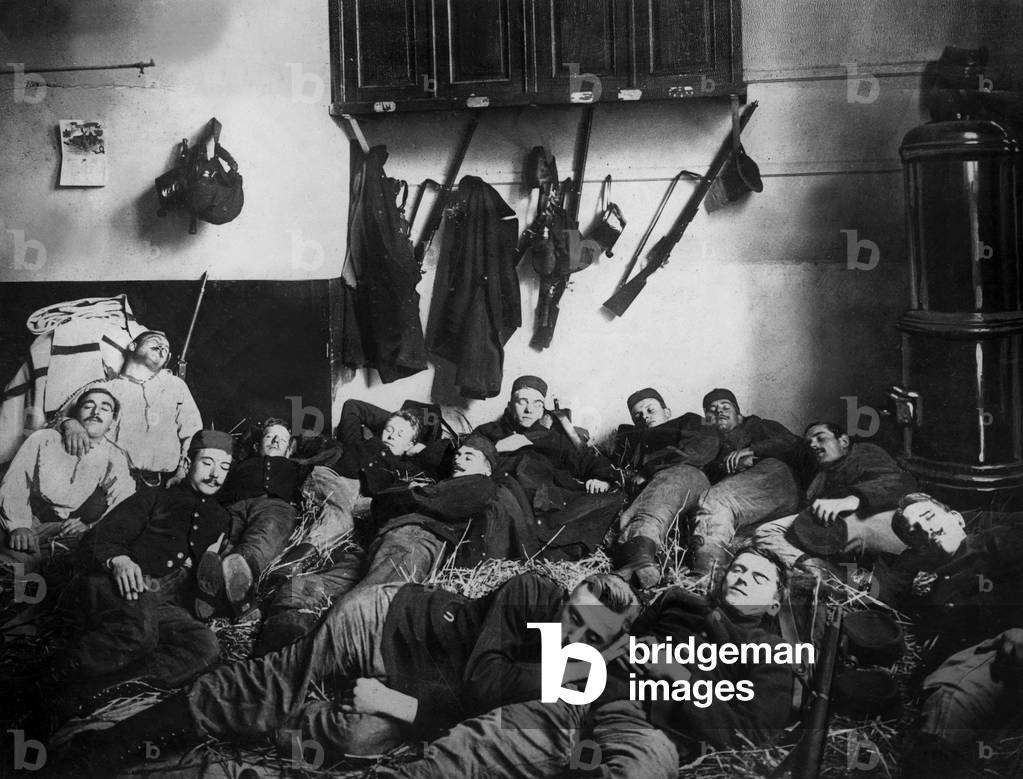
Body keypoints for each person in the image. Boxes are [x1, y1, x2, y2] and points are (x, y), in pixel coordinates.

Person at [60, 571, 641, 770]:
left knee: (360, 737)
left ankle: (290, 722)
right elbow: (482, 686)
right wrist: (574, 670)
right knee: (266, 686)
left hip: (410, 681)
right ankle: (108, 746)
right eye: (574, 619)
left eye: (593, 637)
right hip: (382, 621)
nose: (574, 638)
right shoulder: (531, 592)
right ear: (567, 596)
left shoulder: (586, 656)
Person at [374, 548, 796, 779]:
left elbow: (752, 737)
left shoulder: (769, 653)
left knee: (638, 771)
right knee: (494, 735)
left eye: (758, 578)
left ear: (775, 602)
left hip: (654, 726)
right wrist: (623, 649)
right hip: (590, 690)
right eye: (738, 570)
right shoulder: (677, 602)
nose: (741, 578)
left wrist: (680, 677)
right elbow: (617, 628)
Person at [57, 430, 234, 707]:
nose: (215, 474)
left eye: (224, 467)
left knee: (204, 645)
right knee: (140, 630)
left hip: (165, 603)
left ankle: (109, 690)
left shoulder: (221, 519)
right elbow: (102, 536)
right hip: (124, 584)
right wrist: (120, 560)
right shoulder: (154, 497)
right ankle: (55, 683)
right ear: (187, 464)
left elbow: (209, 582)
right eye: (207, 463)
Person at [871, 493, 1023, 777]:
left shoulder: (1000, 541)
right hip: (991, 660)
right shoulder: (941, 588)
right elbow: (887, 596)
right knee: (944, 709)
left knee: (949, 701)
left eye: (929, 518)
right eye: (914, 533)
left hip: (1013, 641)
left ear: (957, 518)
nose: (926, 530)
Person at [753, 421, 917, 573]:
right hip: (838, 539)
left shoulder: (863, 452)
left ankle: (831, 575)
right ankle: (820, 571)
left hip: (882, 529)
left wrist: (853, 499)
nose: (813, 444)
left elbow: (901, 482)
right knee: (766, 532)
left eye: (820, 438)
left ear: (844, 441)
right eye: (809, 442)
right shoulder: (820, 478)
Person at [0, 388, 134, 571]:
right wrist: (18, 526)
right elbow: (16, 482)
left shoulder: (114, 456)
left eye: (105, 408)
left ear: (113, 421)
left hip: (61, 529)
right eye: (88, 406)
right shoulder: (45, 438)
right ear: (76, 414)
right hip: (24, 519)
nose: (95, 412)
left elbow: (125, 501)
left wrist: (90, 525)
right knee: (18, 566)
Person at [58, 331, 202, 490]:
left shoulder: (175, 385)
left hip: (164, 484)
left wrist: (183, 471)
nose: (162, 347)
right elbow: (56, 420)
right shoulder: (101, 388)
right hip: (108, 483)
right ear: (133, 346)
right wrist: (69, 423)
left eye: (166, 349)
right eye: (155, 342)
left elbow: (194, 432)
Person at [687, 388, 803, 580]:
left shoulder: (758, 425)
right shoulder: (710, 442)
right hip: (751, 511)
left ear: (739, 414)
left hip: (774, 482)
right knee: (734, 544)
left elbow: (792, 443)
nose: (719, 411)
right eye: (712, 410)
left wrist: (753, 450)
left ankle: (705, 576)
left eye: (726, 406)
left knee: (715, 500)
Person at [610, 387, 718, 588]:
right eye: (638, 416)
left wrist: (649, 468)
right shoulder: (632, 440)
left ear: (667, 412)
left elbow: (702, 449)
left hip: (687, 477)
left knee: (674, 477)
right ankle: (649, 560)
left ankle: (638, 555)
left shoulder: (689, 420)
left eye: (651, 410)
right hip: (649, 490)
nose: (645, 417)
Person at [194, 418, 302, 617]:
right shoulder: (237, 465)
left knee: (263, 536)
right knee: (221, 539)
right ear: (256, 444)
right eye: (269, 436)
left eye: (283, 439)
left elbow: (331, 451)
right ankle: (216, 588)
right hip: (234, 506)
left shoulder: (296, 467)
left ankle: (234, 582)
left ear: (289, 451)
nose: (275, 440)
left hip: (274, 506)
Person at [474, 375, 617, 493]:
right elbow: (460, 459)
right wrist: (497, 447)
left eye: (537, 404)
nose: (529, 410)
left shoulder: (552, 439)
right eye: (522, 402)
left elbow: (585, 460)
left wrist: (602, 479)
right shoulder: (487, 432)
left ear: (542, 410)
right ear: (510, 405)